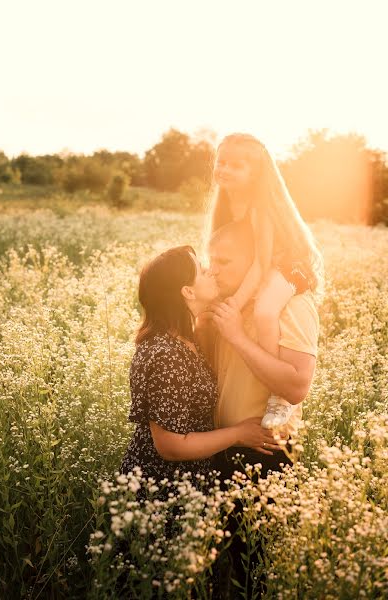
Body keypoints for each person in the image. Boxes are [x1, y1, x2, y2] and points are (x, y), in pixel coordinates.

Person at [202, 218, 320, 597]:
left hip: (265, 454)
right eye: (211, 260)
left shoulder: (292, 306)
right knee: (222, 571)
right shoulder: (226, 304)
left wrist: (236, 335)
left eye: (225, 262)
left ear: (255, 263)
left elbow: (296, 385)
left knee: (257, 573)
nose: (214, 270)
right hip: (220, 448)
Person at [120, 245, 282, 484]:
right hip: (160, 488)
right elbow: (170, 446)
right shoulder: (166, 354)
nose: (212, 272)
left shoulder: (187, 340)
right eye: (203, 271)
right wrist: (239, 434)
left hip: (187, 484)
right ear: (188, 292)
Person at [209, 133, 323, 429]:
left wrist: (237, 301)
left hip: (288, 268)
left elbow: (261, 263)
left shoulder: (259, 208)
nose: (225, 170)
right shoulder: (228, 205)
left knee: (264, 311)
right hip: (268, 269)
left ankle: (277, 397)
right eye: (221, 162)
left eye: (237, 165)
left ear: (255, 172)